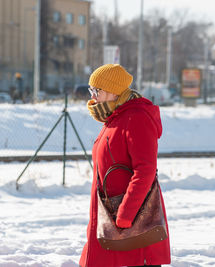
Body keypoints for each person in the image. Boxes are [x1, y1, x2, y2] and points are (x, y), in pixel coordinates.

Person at [79, 64, 171, 267]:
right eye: (91, 90)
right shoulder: (115, 118)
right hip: (110, 216)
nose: (92, 97)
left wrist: (125, 216)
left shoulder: (136, 118)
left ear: (113, 91)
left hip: (131, 223)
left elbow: (145, 171)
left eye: (96, 91)